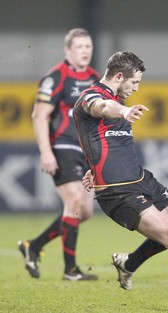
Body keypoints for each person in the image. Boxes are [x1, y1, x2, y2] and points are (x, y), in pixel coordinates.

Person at [73, 51, 168, 311]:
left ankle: (128, 264)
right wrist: (123, 111)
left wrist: (92, 166)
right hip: (117, 191)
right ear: (119, 76)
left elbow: (105, 143)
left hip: (142, 178)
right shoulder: (91, 97)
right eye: (134, 82)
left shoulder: (117, 98)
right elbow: (102, 108)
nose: (136, 88)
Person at [18, 28, 99, 281]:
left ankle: (33, 245)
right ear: (68, 51)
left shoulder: (96, 78)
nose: (85, 51)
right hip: (61, 146)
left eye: (88, 46)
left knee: (83, 211)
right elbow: (39, 115)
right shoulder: (56, 76)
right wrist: (46, 152)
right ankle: (70, 270)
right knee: (75, 201)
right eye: (79, 47)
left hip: (85, 151)